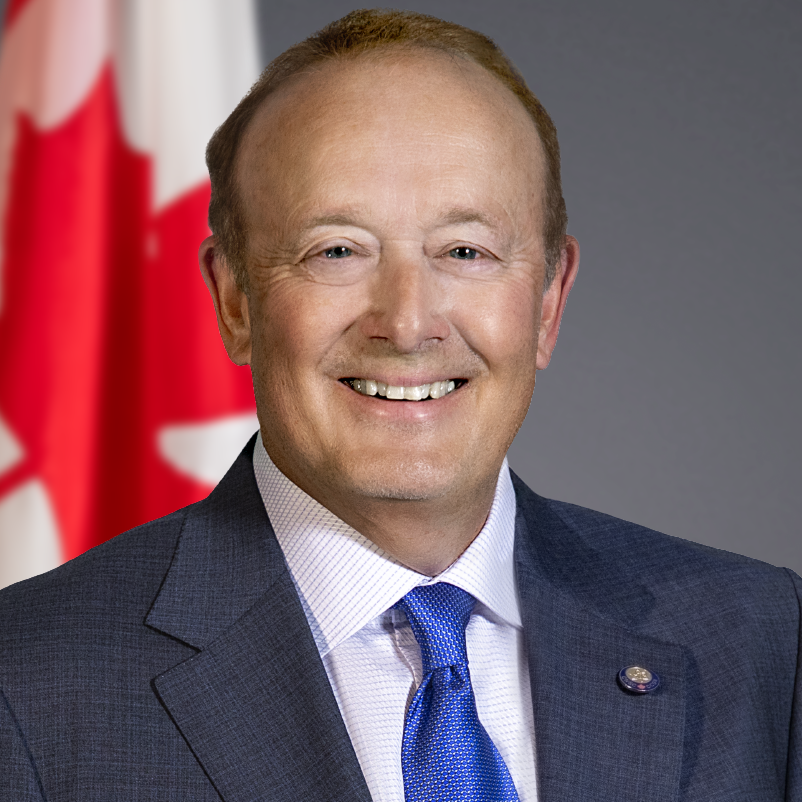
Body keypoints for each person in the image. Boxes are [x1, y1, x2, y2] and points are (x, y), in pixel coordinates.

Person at [1, 9, 799, 801]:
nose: (409, 323)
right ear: (236, 299)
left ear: (549, 300)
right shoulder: (28, 682)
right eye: (338, 250)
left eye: (466, 251)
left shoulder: (763, 641)